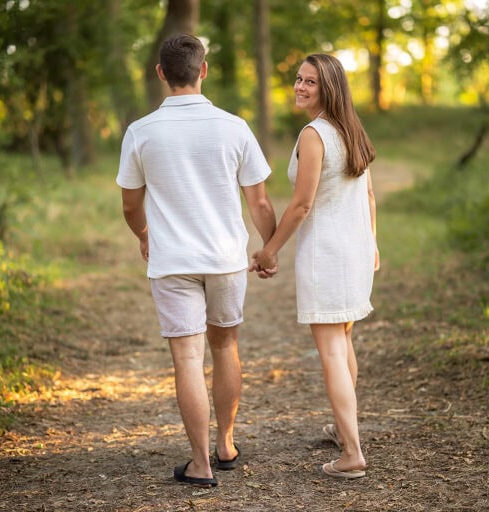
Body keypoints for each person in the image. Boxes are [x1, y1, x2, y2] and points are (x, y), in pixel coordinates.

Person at [117, 34, 278, 488]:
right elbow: (260, 203)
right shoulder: (234, 127)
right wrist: (268, 249)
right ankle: (225, 444)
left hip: (172, 262)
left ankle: (199, 463)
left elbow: (131, 206)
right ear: (203, 70)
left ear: (161, 73)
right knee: (225, 346)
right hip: (226, 259)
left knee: (187, 358)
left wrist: (145, 234)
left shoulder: (141, 132)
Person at [251, 53, 379, 479]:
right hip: (355, 252)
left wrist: (270, 250)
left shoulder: (314, 134)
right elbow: (368, 197)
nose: (301, 87)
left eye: (311, 82)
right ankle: (346, 434)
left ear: (329, 89)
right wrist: (373, 246)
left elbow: (302, 203)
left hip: (327, 255)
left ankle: (353, 454)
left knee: (331, 352)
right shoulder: (351, 129)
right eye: (299, 79)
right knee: (343, 343)